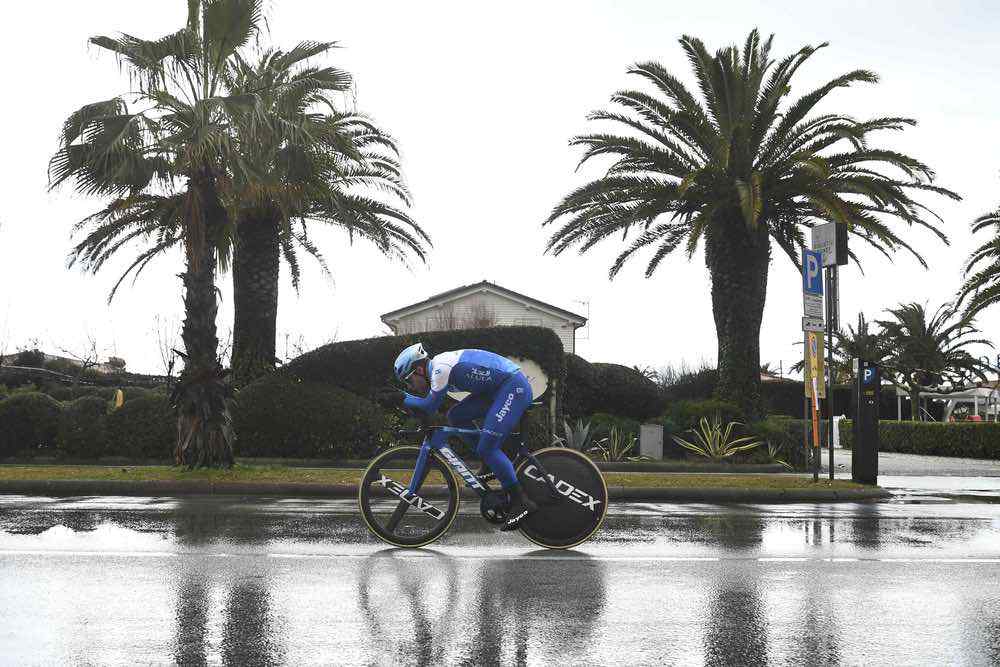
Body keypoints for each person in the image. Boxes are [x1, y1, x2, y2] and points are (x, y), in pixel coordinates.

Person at [392, 342, 537, 530]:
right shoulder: (438, 368)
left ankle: (522, 502)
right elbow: (425, 406)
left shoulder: (439, 369)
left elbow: (429, 406)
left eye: (408, 381)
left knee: (488, 448)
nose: (410, 386)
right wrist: (401, 398)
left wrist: (400, 397)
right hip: (497, 390)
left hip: (513, 386)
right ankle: (490, 463)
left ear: (419, 369)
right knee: (456, 416)